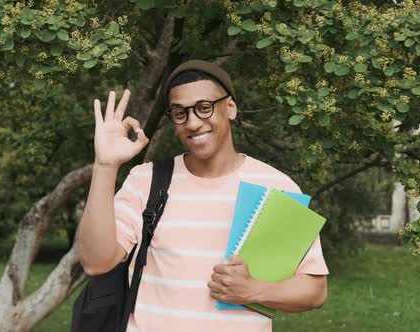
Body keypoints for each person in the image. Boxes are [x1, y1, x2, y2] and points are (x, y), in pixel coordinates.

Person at [78, 60, 329, 332]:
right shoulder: (146, 181)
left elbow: (314, 291)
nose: (193, 122)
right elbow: (96, 262)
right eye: (180, 112)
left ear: (230, 107)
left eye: (204, 107)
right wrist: (105, 166)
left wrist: (252, 290)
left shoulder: (277, 187)